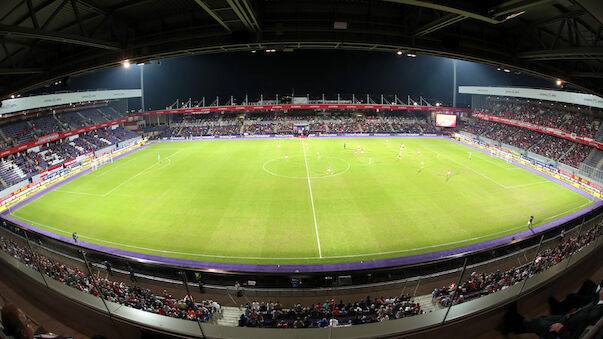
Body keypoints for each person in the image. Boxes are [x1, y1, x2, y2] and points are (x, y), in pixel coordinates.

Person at [505, 289, 603, 337]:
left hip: (565, 330)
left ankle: (515, 323)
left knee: (539, 322)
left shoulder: (597, 312)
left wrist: (561, 331)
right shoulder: (598, 306)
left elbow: (585, 327)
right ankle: (515, 326)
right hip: (568, 319)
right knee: (542, 318)